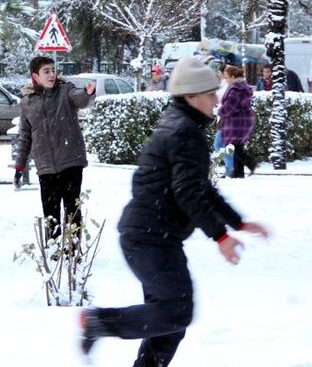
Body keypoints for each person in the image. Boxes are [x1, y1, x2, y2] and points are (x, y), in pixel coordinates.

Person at [79, 56, 270, 365]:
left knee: (169, 322)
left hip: (151, 237)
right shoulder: (184, 132)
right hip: (151, 238)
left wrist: (238, 223)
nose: (216, 101)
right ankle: (98, 322)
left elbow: (201, 188)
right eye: (210, 94)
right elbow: (189, 194)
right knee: (176, 312)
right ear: (191, 96)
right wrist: (221, 237)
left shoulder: (180, 125)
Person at [14, 56, 96, 239]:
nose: (52, 74)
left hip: (70, 161)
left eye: (53, 70)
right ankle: (53, 254)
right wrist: (20, 166)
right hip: (45, 167)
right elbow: (25, 137)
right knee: (50, 215)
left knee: (71, 211)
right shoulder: (28, 102)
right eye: (46, 71)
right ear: (35, 76)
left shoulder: (65, 91)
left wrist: (88, 93)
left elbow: (80, 99)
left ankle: (72, 254)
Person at [219, 65, 257, 178]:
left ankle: (251, 163)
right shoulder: (242, 87)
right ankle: (238, 173)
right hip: (242, 120)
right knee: (237, 145)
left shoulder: (236, 89)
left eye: (226, 77)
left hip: (237, 121)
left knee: (234, 146)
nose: (225, 79)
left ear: (233, 76)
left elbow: (230, 107)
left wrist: (219, 110)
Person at [213, 66, 234, 177]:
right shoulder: (222, 84)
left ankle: (230, 169)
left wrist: (217, 109)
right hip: (222, 118)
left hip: (225, 119)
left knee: (219, 144)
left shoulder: (227, 86)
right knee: (223, 144)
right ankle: (230, 169)